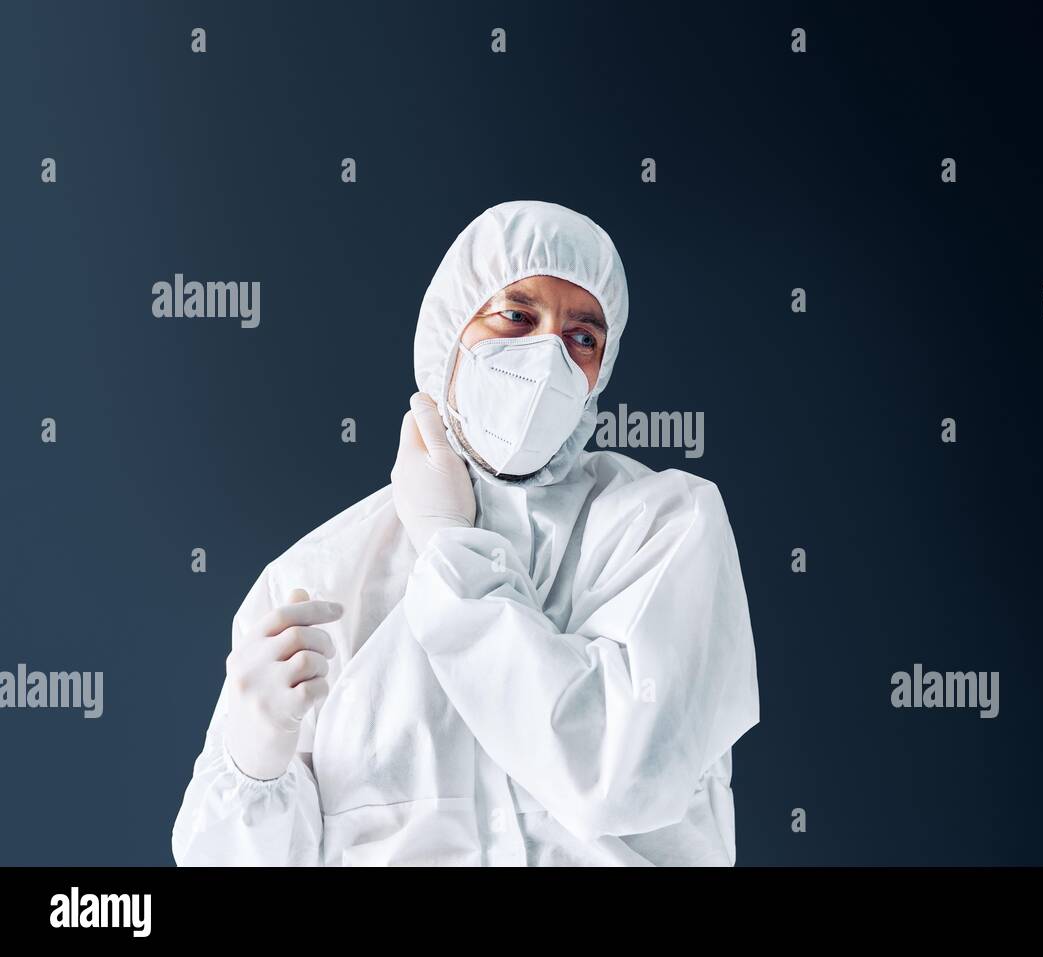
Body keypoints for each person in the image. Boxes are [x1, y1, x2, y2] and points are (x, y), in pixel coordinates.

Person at [171, 200, 761, 866]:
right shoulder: (324, 574)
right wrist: (253, 766)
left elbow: (617, 775)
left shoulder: (664, 527)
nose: (546, 358)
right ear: (450, 333)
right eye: (516, 316)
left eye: (582, 336)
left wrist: (454, 549)